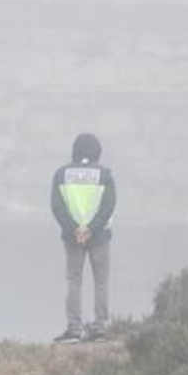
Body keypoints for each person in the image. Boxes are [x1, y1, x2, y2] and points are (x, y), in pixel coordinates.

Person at [50, 132, 116, 343]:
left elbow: (57, 207)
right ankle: (100, 327)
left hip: (72, 238)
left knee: (74, 281)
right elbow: (108, 206)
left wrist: (74, 229)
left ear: (75, 151)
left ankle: (74, 328)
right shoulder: (105, 175)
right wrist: (91, 229)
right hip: (99, 237)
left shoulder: (61, 174)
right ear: (98, 152)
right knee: (101, 282)